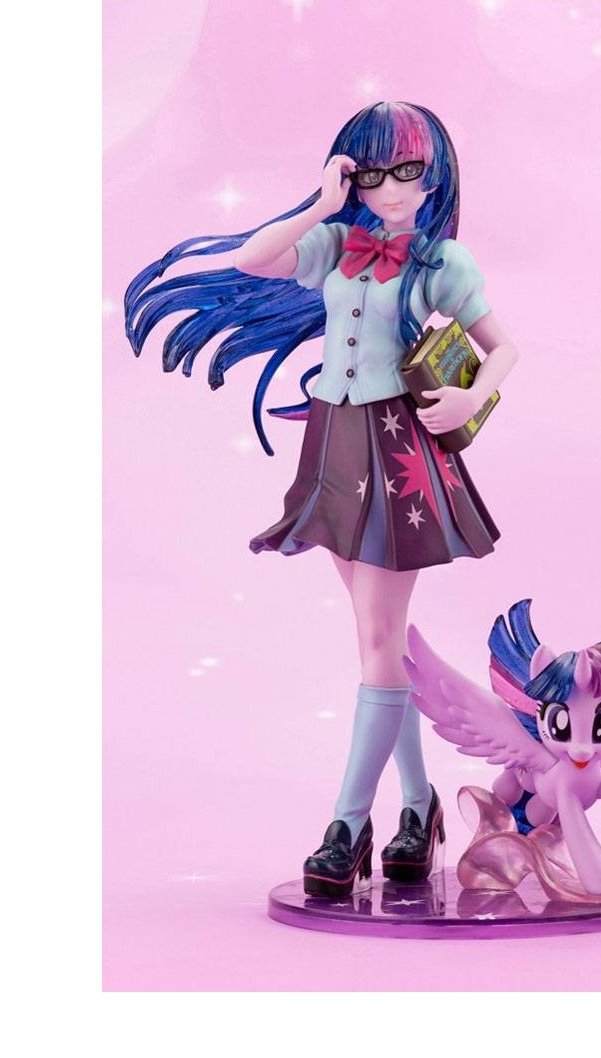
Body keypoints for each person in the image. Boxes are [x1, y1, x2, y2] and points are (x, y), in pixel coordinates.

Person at [125, 101, 518, 898]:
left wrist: (471, 398)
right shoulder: (337, 242)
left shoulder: (441, 262)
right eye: (373, 172)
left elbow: (503, 347)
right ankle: (419, 805)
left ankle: (348, 824)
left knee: (378, 639)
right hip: (335, 444)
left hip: (397, 452)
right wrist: (321, 202)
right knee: (381, 641)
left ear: (433, 174)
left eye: (407, 170)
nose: (390, 187)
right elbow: (253, 258)